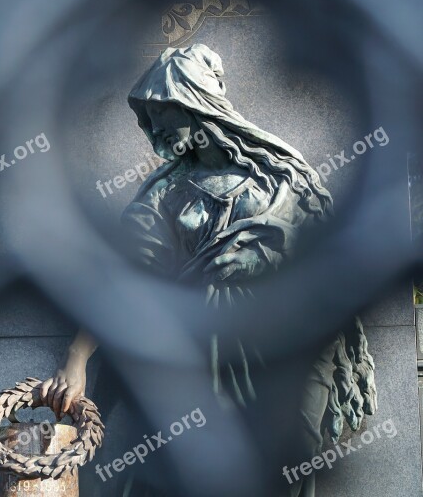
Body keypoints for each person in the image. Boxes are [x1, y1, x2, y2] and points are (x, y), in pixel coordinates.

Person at [41, 44, 377, 496]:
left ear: (195, 103)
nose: (153, 127)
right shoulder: (163, 195)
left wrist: (270, 256)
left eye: (163, 112)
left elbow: (332, 256)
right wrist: (76, 359)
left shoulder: (281, 175)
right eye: (150, 116)